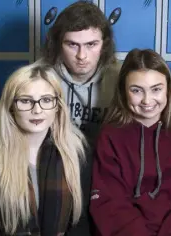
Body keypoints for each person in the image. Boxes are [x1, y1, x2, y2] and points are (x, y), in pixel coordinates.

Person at [89, 48, 171, 236]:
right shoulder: (109, 137)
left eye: (156, 89)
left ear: (168, 90)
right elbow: (108, 204)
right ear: (123, 91)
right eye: (137, 90)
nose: (147, 100)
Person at [0, 64, 92, 236]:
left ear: (58, 105)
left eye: (46, 100)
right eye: (25, 101)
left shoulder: (78, 149)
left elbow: (82, 222)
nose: (37, 110)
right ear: (10, 106)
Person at [41, 1, 121, 142]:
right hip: (56, 157)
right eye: (72, 44)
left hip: (105, 159)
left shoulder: (122, 78)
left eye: (91, 44)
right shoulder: (39, 77)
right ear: (58, 44)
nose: (81, 56)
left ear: (104, 45)